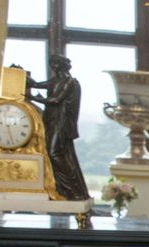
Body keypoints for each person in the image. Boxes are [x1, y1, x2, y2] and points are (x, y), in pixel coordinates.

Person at [28, 55, 89, 200]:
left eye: (52, 64)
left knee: (54, 153)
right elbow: (37, 84)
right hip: (51, 121)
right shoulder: (56, 80)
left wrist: (34, 98)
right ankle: (63, 187)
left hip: (60, 123)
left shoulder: (69, 81)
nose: (51, 67)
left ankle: (71, 186)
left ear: (57, 65)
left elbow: (56, 100)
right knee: (54, 153)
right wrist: (24, 78)